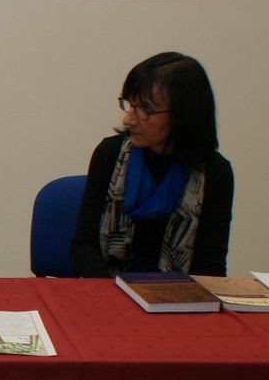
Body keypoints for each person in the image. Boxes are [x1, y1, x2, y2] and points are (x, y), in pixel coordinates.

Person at [70, 51, 234, 277]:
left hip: (178, 294)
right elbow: (84, 246)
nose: (128, 119)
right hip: (108, 288)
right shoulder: (110, 154)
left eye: (145, 109)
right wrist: (111, 293)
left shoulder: (214, 173)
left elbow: (210, 267)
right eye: (129, 104)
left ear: (183, 114)